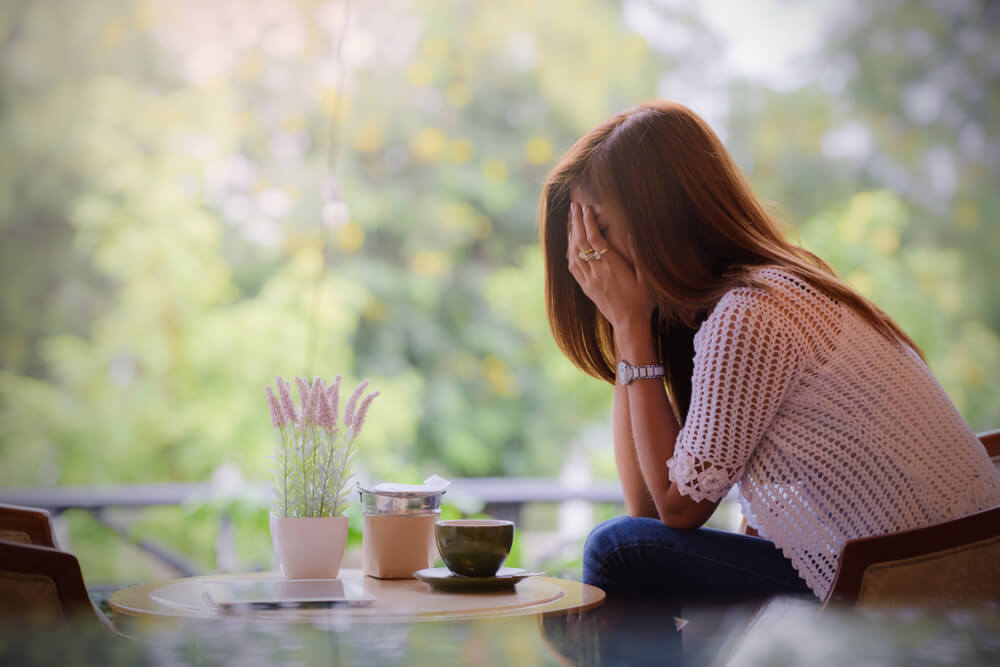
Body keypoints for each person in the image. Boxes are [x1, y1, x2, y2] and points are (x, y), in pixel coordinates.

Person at [539, 100, 1000, 603]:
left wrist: (630, 327)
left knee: (616, 551)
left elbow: (675, 511)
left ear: (659, 216)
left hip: (909, 584)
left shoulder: (753, 312)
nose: (591, 258)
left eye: (598, 230)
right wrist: (626, 327)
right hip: (916, 566)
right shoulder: (768, 291)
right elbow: (648, 508)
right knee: (626, 546)